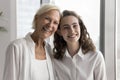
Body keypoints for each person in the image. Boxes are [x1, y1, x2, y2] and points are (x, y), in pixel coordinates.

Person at [3, 3, 61, 80]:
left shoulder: (49, 50)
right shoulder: (16, 47)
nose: (50, 25)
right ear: (36, 18)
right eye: (47, 18)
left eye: (55, 22)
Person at [53, 10, 107, 80]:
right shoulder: (56, 60)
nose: (72, 31)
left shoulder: (96, 56)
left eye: (75, 26)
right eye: (66, 27)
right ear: (59, 32)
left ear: (80, 28)